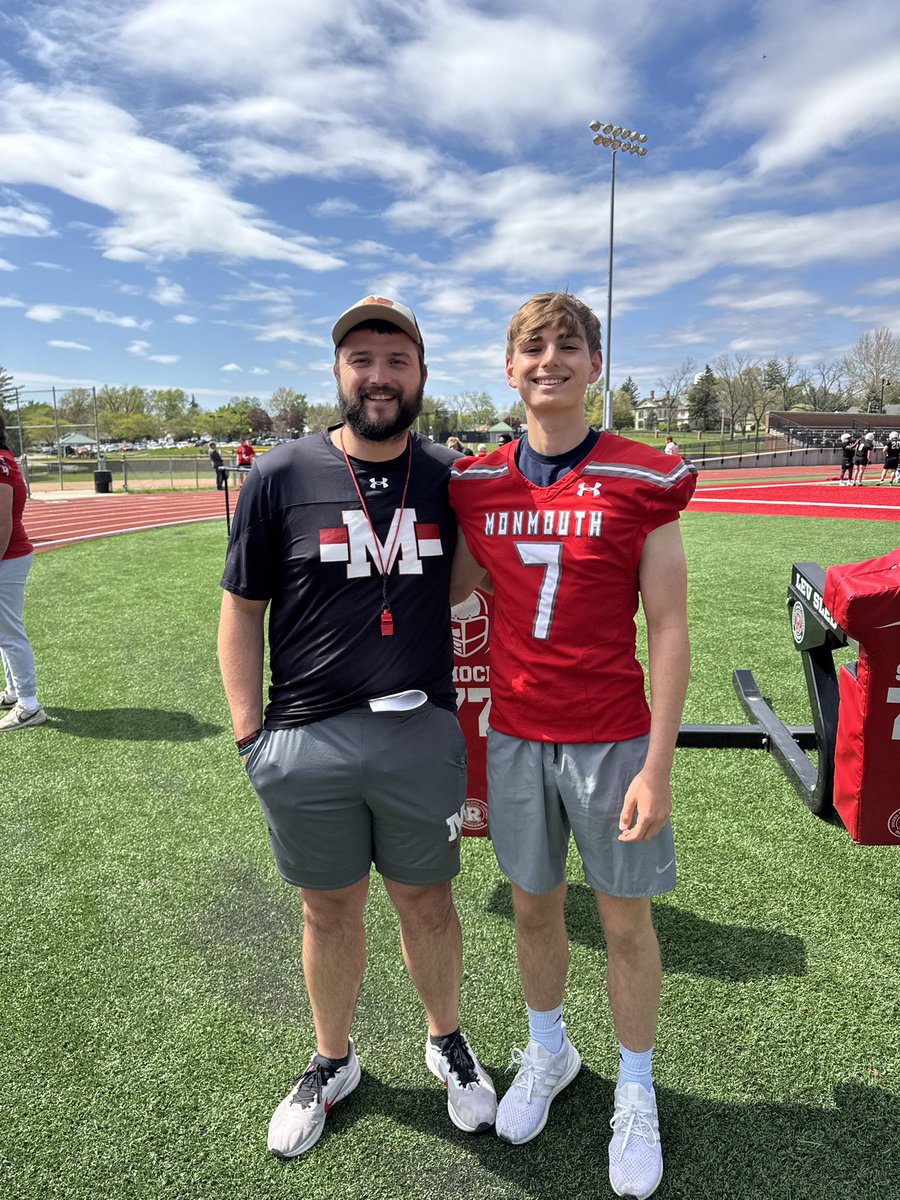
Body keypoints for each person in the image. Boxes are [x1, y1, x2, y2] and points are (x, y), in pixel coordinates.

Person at [217, 295, 496, 1160]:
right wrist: (249, 734)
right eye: (360, 360)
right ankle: (332, 1060)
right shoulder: (280, 473)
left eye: (395, 360)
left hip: (417, 726)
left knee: (428, 900)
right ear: (338, 372)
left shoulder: (451, 475)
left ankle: (445, 1040)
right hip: (306, 736)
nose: (378, 377)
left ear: (421, 375)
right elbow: (240, 609)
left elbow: (460, 587)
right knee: (326, 909)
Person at [449, 292, 695, 1199]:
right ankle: (548, 1050)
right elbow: (454, 592)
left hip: (611, 737)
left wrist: (659, 763)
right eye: (532, 347)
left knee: (625, 921)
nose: (549, 359)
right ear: (508, 370)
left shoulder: (643, 475)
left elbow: (667, 627)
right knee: (532, 908)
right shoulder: (477, 482)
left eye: (568, 345)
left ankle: (636, 1086)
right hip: (514, 732)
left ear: (595, 365)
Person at [0, 414, 46, 732]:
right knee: (3, 632)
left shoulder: (0, 463)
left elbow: (2, 522)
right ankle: (15, 691)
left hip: (8, 556)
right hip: (10, 555)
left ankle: (29, 705)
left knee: (10, 634)